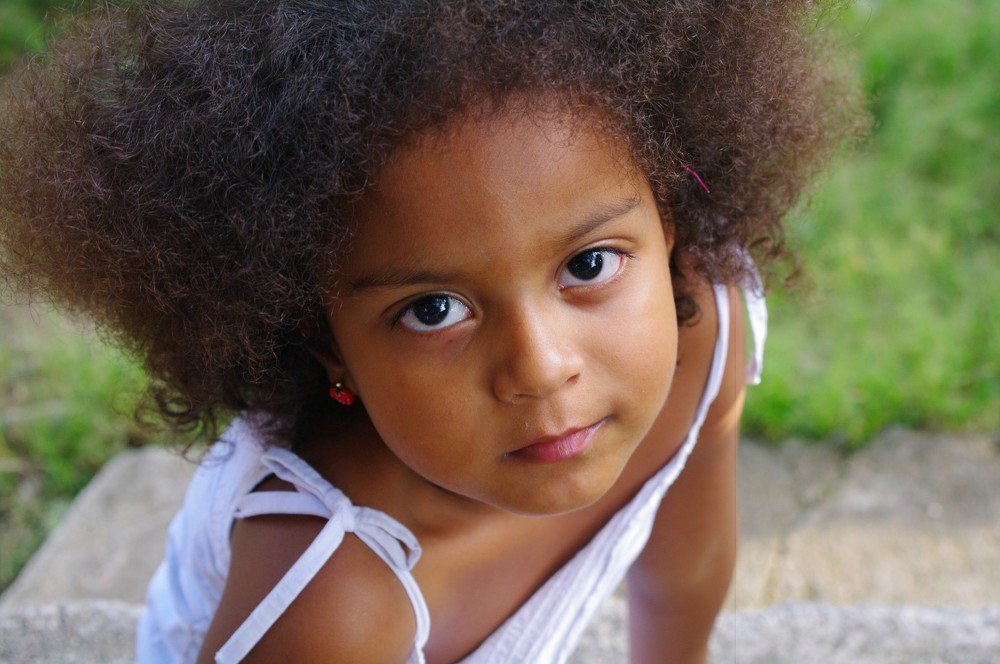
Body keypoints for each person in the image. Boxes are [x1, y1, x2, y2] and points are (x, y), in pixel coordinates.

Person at [0, 1, 855, 662]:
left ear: (668, 219)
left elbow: (684, 585)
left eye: (589, 265)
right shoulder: (330, 596)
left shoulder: (703, 327)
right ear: (324, 338)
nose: (540, 368)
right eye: (433, 310)